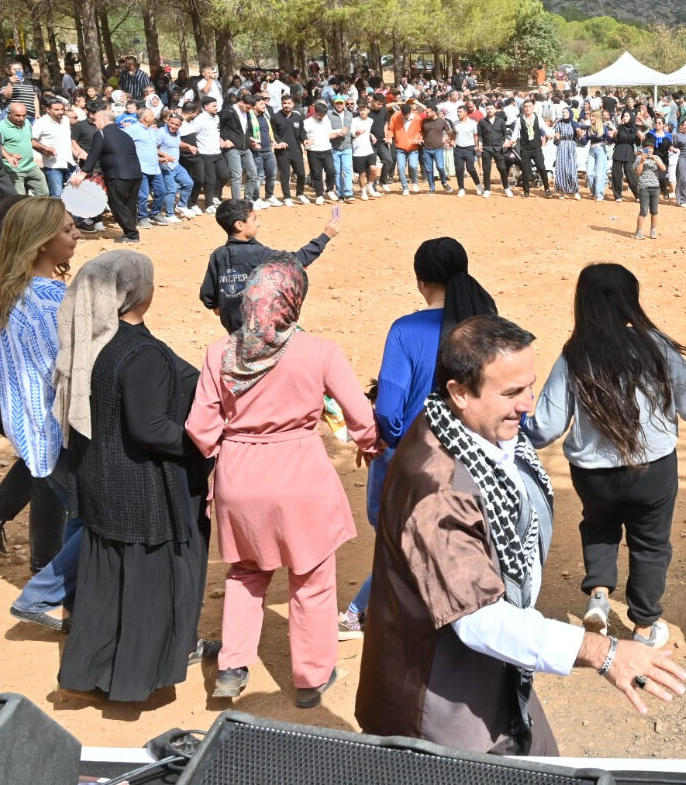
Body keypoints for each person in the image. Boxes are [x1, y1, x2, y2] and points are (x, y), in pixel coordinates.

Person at [355, 316, 686, 754]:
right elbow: (480, 620)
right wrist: (602, 652)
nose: (527, 404)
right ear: (459, 392)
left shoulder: (473, 431)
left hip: (499, 668)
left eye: (530, 387)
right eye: (511, 393)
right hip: (443, 703)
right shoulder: (437, 490)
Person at [187, 257, 380, 706]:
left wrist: (229, 451)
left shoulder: (220, 353)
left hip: (239, 478)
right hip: (300, 476)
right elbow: (360, 418)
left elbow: (200, 428)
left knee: (246, 572)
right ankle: (311, 678)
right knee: (311, 577)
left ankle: (232, 668)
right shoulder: (319, 351)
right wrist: (370, 446)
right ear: (293, 301)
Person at [53, 251, 211, 701]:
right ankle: (134, 682)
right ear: (139, 292)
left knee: (108, 587)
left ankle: (88, 675)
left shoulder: (92, 341)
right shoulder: (141, 352)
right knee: (148, 588)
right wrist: (205, 444)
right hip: (142, 488)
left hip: (101, 477)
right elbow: (151, 428)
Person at [532, 264, 686, 650]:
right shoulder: (656, 346)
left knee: (598, 525)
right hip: (653, 469)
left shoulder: (574, 354)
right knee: (650, 544)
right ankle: (643, 629)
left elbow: (546, 425)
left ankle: (598, 596)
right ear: (631, 301)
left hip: (592, 473)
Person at [340, 237, 498, 637]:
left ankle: (361, 610)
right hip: (473, 455)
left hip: (414, 456)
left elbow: (389, 410)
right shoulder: (487, 327)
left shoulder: (405, 330)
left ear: (420, 281)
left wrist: (390, 441)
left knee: (397, 537)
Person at [0, 198, 82, 631]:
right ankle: (41, 596)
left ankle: (74, 598)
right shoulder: (50, 301)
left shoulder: (9, 292)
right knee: (102, 516)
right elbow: (63, 374)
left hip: (31, 429)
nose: (76, 234)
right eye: (67, 229)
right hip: (59, 432)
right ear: (42, 242)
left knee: (82, 513)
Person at [199, 199, 339, 333]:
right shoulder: (259, 254)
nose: (258, 223)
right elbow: (299, 259)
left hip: (234, 332)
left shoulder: (218, 255)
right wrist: (326, 235)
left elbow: (208, 296)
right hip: (264, 331)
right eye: (254, 219)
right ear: (239, 225)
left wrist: (225, 308)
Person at [68, 105, 143, 243]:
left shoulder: (101, 134)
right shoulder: (125, 134)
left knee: (117, 204)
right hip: (135, 174)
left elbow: (93, 155)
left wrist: (82, 173)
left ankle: (131, 234)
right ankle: (131, 229)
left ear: (104, 120)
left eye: (96, 120)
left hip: (117, 175)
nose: (95, 123)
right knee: (130, 204)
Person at [632, 145, 664, 240]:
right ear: (643, 149)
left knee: (654, 211)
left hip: (655, 187)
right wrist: (642, 161)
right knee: (644, 210)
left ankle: (653, 231)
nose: (649, 150)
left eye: (651, 148)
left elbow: (663, 168)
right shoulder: (639, 158)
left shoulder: (656, 157)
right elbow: (638, 172)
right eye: (647, 148)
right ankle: (638, 232)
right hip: (644, 187)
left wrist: (656, 160)